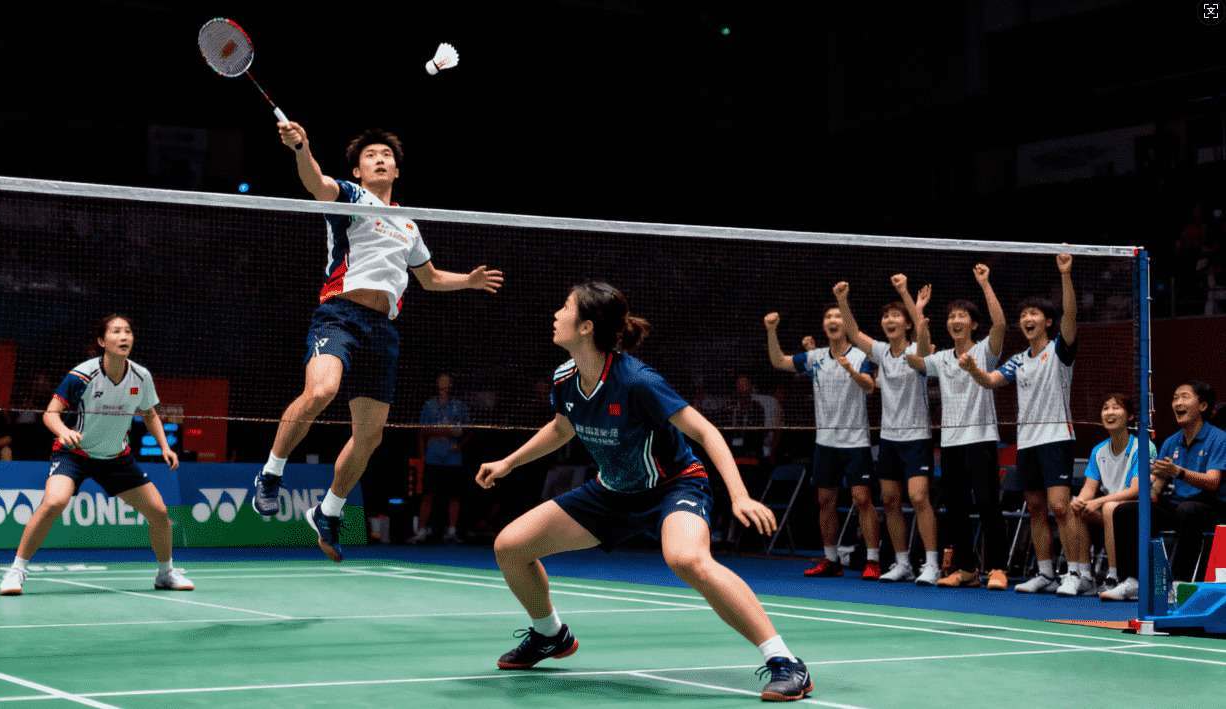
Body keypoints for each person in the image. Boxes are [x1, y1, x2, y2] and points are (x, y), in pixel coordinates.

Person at [476, 282, 812, 701]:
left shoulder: (636, 381)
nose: (556, 314)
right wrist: (509, 462)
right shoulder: (565, 378)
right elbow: (562, 428)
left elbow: (704, 431)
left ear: (586, 327)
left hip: (673, 486)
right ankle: (550, 635)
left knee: (687, 559)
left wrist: (740, 495)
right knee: (511, 546)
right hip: (612, 492)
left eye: (564, 307)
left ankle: (785, 662)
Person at [250, 123, 504, 562]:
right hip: (340, 315)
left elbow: (429, 278)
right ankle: (271, 474)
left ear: (396, 171)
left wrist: (469, 280)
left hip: (382, 330)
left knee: (369, 436)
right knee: (321, 391)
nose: (380, 159)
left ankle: (328, 510)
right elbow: (316, 183)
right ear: (358, 170)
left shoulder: (408, 224)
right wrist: (302, 147)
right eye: (371, 155)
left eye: (386, 155)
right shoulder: (351, 196)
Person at [0, 315, 190, 595]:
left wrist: (164, 446)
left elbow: (149, 414)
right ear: (102, 341)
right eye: (116, 331)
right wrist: (63, 431)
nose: (124, 336)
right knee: (53, 502)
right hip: (74, 454)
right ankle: (16, 571)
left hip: (116, 458)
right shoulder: (82, 375)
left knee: (159, 512)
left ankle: (166, 573)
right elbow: (50, 413)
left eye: (128, 331)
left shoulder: (141, 376)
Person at [962, 253, 1090, 594]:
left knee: (1060, 507)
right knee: (1034, 507)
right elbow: (991, 381)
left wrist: (1065, 274)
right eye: (1022, 315)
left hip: (1056, 437)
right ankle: (1046, 572)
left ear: (1047, 322)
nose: (1026, 319)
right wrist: (973, 370)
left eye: (1033, 314)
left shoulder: (1059, 350)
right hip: (1028, 441)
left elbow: (1070, 316)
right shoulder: (1018, 360)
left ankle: (1077, 573)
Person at [835, 276, 941, 584]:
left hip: (917, 437)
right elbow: (853, 333)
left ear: (907, 324)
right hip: (889, 439)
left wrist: (906, 294)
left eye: (896, 316)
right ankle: (902, 562)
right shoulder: (881, 352)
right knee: (891, 500)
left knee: (918, 497)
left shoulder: (918, 350)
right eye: (886, 316)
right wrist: (842, 300)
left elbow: (922, 332)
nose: (889, 320)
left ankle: (932, 564)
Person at [765, 304, 879, 580]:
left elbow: (869, 386)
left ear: (847, 324)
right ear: (824, 325)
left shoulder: (861, 355)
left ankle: (873, 560)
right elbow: (779, 361)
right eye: (828, 316)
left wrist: (851, 370)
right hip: (825, 442)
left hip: (855, 440)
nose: (833, 320)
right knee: (825, 500)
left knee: (862, 499)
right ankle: (830, 559)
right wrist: (771, 331)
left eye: (838, 316)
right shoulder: (814, 357)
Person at [915, 264, 1010, 590]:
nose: (955, 320)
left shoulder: (984, 351)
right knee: (955, 508)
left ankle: (997, 567)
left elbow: (1000, 324)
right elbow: (919, 359)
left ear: (973, 324)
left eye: (962, 316)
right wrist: (919, 313)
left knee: (987, 504)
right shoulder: (942, 358)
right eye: (951, 316)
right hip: (951, 442)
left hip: (981, 438)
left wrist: (985, 284)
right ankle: (967, 569)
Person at [1104, 381, 1226, 599]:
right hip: (1179, 506)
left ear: (1203, 406)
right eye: (1175, 398)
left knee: (1188, 511)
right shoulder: (1172, 442)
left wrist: (1178, 472)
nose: (1177, 403)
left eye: (1185, 397)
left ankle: (1179, 583)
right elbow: (1158, 485)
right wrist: (1148, 492)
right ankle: (1133, 581)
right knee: (1126, 511)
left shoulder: (1219, 438)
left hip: (1212, 507)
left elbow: (1213, 481)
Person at [1069, 393, 1154, 595]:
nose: (1109, 412)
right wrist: (1080, 501)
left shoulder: (1142, 447)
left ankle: (1113, 576)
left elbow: (1135, 490)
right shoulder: (1098, 451)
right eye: (1106, 408)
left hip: (1137, 511)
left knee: (1110, 508)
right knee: (1077, 507)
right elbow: (1089, 488)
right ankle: (1085, 576)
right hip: (1110, 510)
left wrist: (1099, 501)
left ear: (1130, 416)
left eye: (1116, 407)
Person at [409, 373, 471, 544]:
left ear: (451, 385)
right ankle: (421, 531)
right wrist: (422, 456)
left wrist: (460, 445)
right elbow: (422, 431)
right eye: (441, 382)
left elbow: (469, 430)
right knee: (427, 495)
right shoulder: (429, 405)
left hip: (453, 458)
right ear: (437, 384)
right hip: (432, 457)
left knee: (454, 496)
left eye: (447, 383)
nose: (444, 385)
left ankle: (452, 531)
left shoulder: (459, 406)